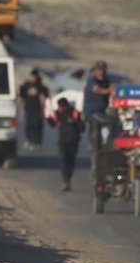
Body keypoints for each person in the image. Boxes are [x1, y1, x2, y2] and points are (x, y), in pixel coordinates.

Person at [82, 61, 114, 190]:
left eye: (103, 70)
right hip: (93, 113)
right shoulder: (92, 82)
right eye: (99, 70)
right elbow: (98, 90)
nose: (101, 72)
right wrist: (109, 90)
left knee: (113, 120)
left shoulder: (105, 81)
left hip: (102, 111)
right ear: (94, 71)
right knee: (109, 123)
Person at [48, 97, 85, 191]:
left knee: (71, 161)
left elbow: (82, 129)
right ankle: (66, 181)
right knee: (63, 160)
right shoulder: (57, 113)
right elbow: (53, 124)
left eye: (60, 106)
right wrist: (48, 117)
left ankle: (68, 179)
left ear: (64, 106)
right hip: (63, 141)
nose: (58, 108)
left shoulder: (75, 113)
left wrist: (82, 120)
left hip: (73, 141)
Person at [18, 69, 49, 152]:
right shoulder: (26, 86)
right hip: (28, 108)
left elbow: (44, 99)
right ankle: (29, 140)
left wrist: (43, 110)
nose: (33, 78)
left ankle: (36, 143)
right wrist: (18, 107)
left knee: (36, 126)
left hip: (37, 109)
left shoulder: (41, 87)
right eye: (31, 76)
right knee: (28, 126)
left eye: (34, 77)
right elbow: (21, 97)